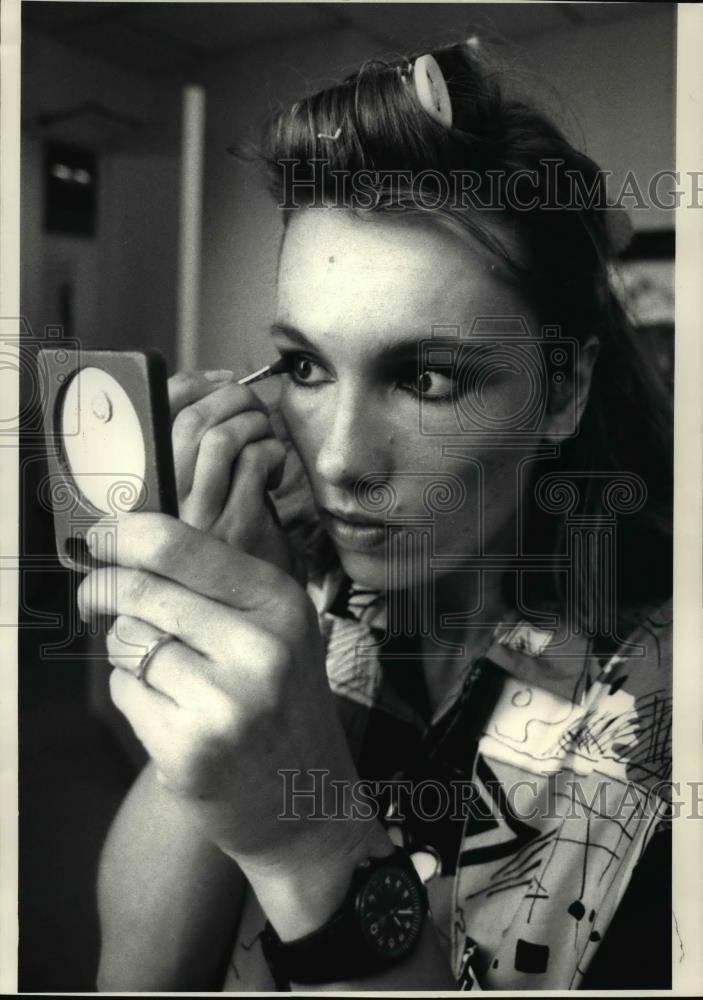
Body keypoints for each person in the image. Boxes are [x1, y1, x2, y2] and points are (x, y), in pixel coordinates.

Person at [91, 42, 673, 991]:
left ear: (560, 392)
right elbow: (137, 975)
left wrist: (309, 843)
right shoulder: (307, 596)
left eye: (426, 377)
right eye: (307, 368)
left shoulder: (658, 729)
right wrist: (231, 642)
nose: (336, 460)